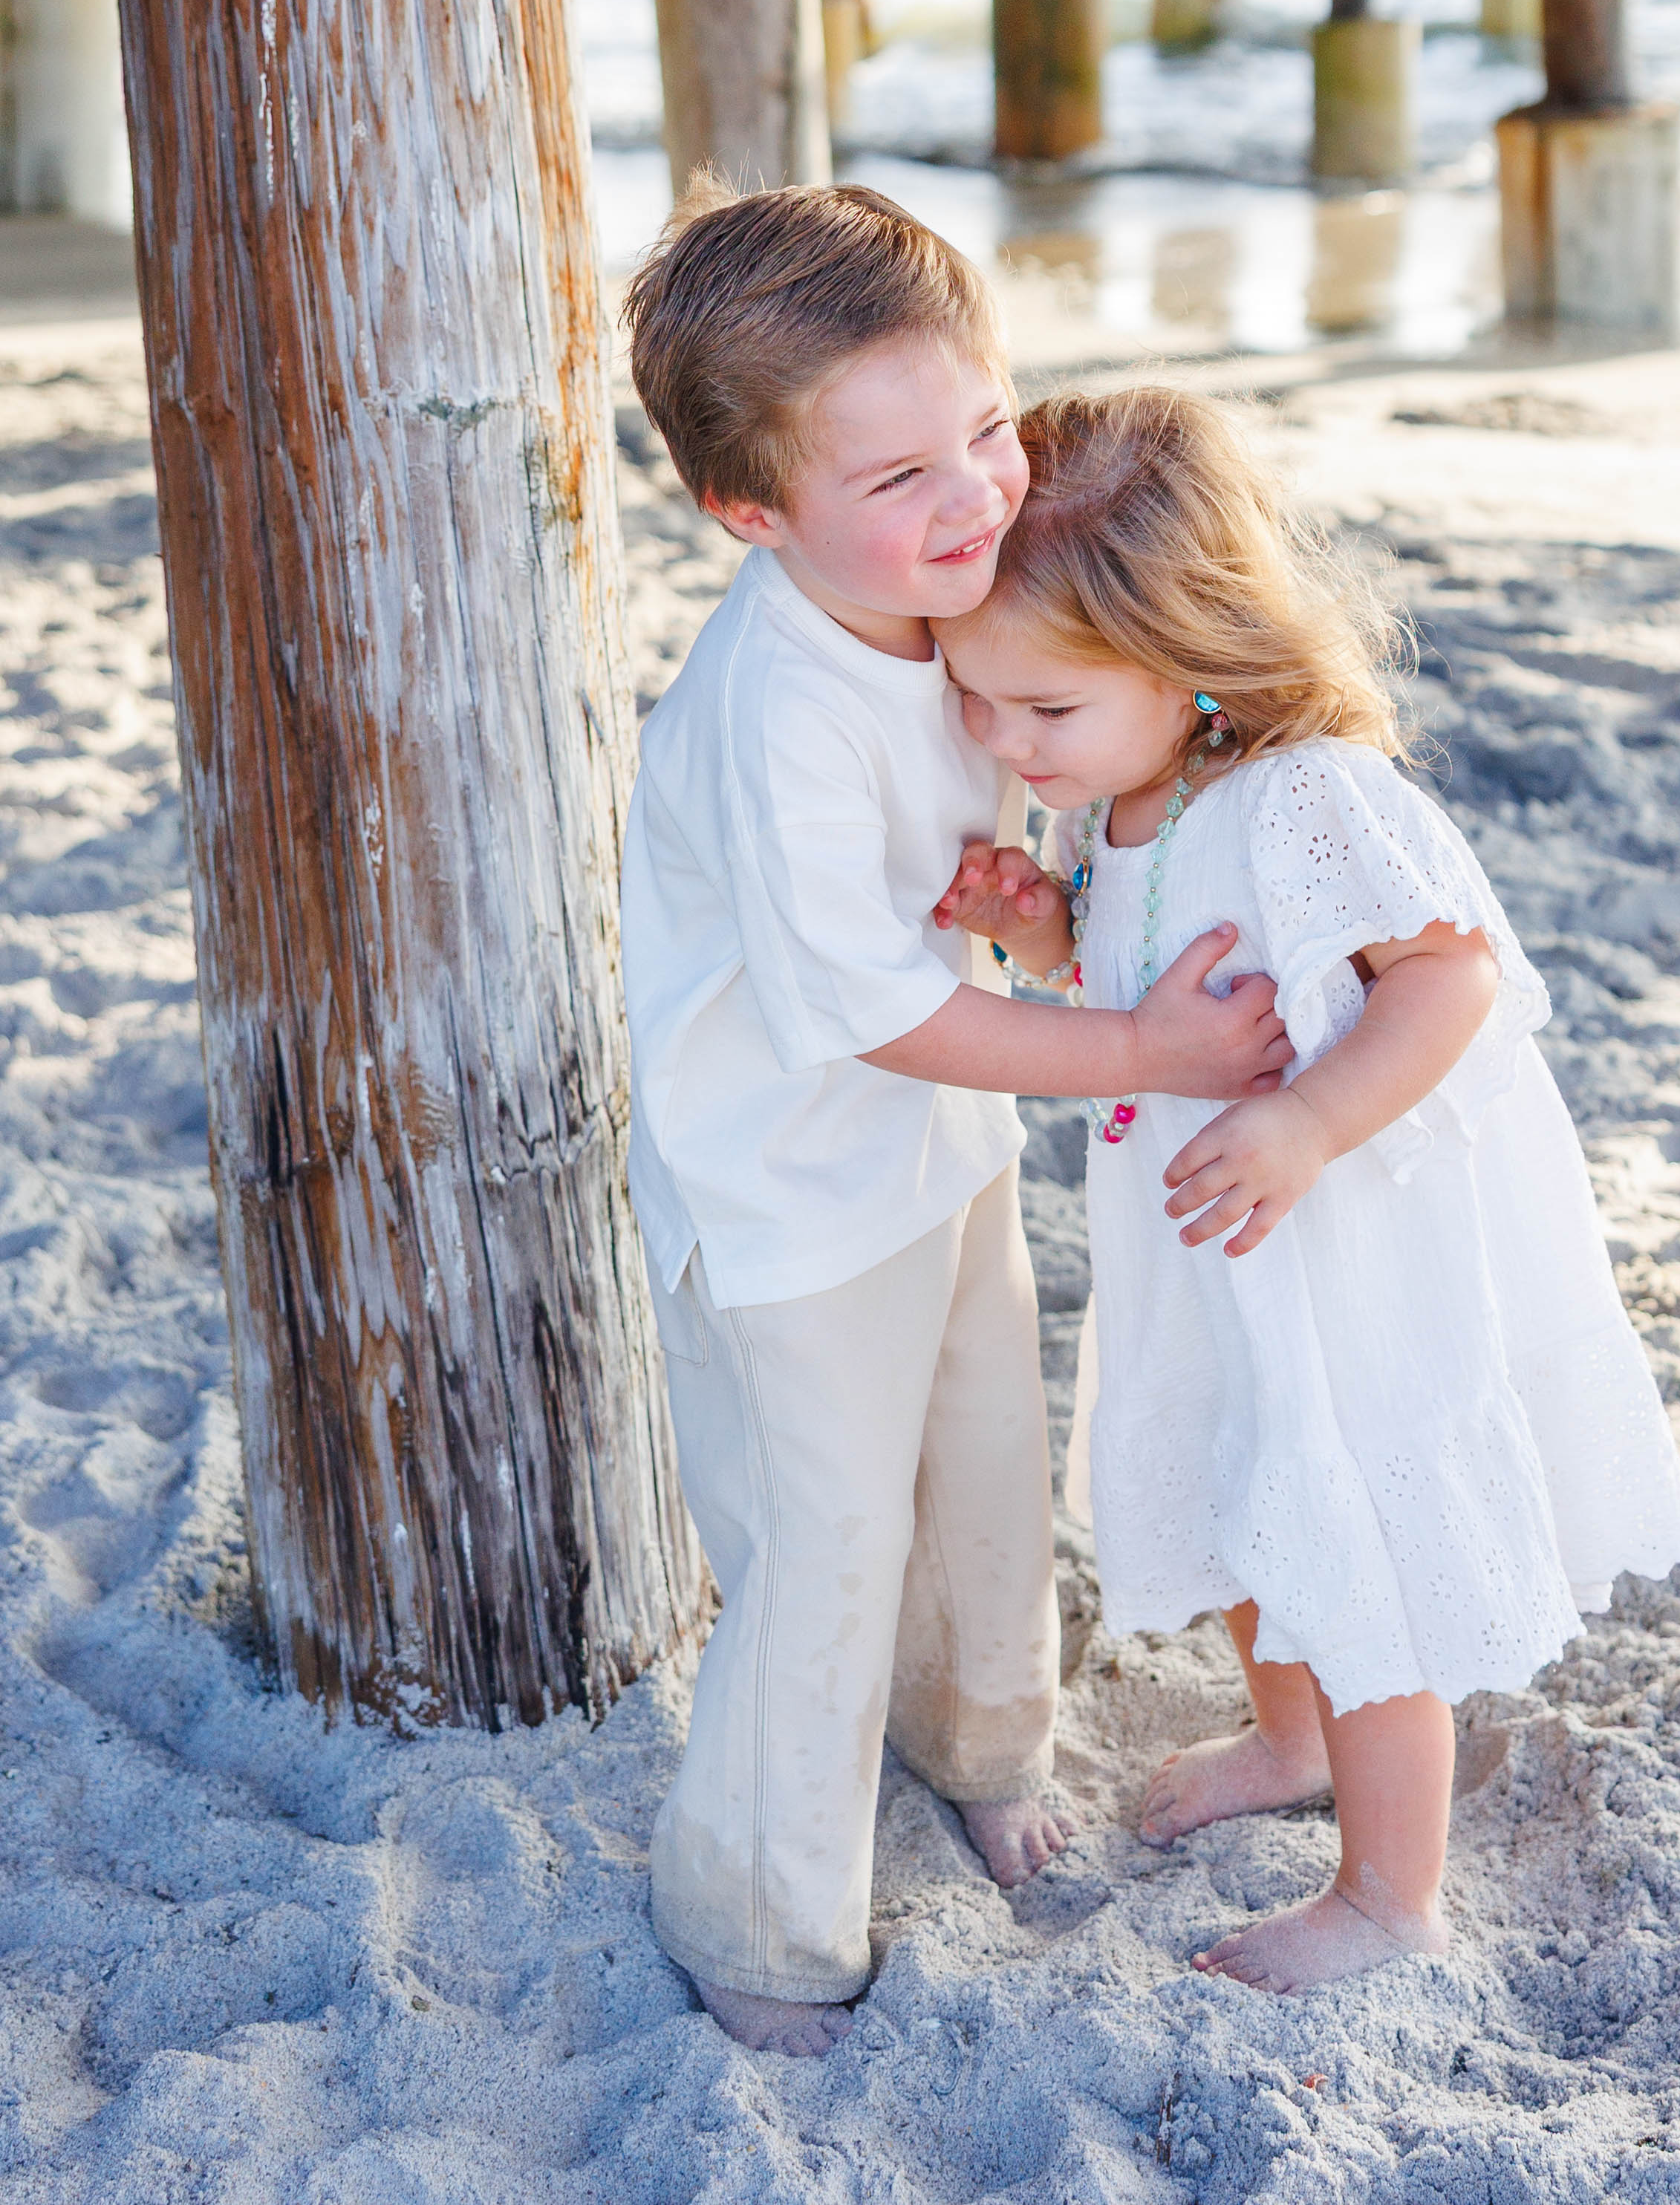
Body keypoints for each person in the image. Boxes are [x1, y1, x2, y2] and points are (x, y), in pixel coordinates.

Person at [618, 189, 1292, 2057]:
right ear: (753, 515)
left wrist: (1024, 895)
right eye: (902, 470)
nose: (977, 494)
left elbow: (1033, 808)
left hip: (941, 1154)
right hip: (782, 1195)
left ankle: (978, 1739)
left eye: (987, 425)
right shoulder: (779, 703)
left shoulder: (947, 591)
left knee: (990, 1462)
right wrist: (1148, 1041)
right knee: (825, 1537)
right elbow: (874, 1008)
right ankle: (756, 1909)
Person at [935, 383, 1680, 1996]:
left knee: (1356, 1531)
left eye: (1044, 710)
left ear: (1191, 660)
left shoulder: (1305, 799)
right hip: (1214, 1247)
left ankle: (1388, 1890)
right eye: (978, 700)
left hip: (1338, 1237)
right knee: (1240, 1482)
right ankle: (1289, 1739)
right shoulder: (1125, 799)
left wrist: (1310, 1126)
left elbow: (1452, 978)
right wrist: (1048, 934)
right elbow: (1148, 966)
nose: (1007, 744)